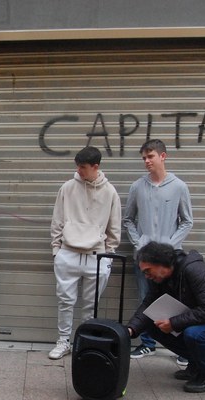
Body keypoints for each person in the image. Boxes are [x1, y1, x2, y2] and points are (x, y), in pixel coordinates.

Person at [126, 241, 205, 393]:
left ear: (162, 263)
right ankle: (196, 363)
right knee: (152, 325)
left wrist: (174, 323)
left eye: (148, 270)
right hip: (200, 316)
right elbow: (148, 305)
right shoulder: (158, 278)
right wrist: (130, 329)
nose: (146, 275)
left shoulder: (194, 269)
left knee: (194, 334)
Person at [124, 139, 194, 366]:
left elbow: (187, 221)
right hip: (144, 259)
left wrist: (171, 247)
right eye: (144, 157)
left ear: (163, 156)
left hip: (171, 259)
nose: (146, 161)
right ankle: (147, 343)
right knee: (146, 299)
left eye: (150, 156)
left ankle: (184, 347)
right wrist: (139, 244)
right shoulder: (137, 187)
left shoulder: (179, 186)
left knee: (179, 301)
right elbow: (128, 220)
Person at [48, 146, 121, 360]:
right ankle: (63, 341)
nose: (79, 171)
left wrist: (108, 256)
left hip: (96, 256)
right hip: (68, 252)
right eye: (78, 167)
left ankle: (84, 342)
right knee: (65, 301)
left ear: (95, 167)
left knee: (91, 305)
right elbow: (57, 221)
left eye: (83, 167)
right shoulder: (68, 188)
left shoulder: (109, 192)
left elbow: (114, 227)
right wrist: (57, 250)